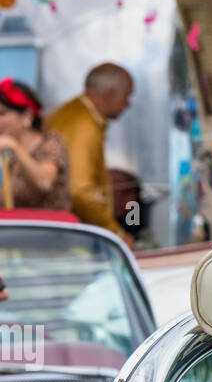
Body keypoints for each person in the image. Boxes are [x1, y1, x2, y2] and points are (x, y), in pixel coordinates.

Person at [46, 63, 134, 245]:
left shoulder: (72, 113)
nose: (128, 105)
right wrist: (117, 235)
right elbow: (81, 192)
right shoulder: (84, 125)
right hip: (67, 239)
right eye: (126, 97)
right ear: (110, 93)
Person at [0, 77, 71, 213]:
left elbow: (44, 182)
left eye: (2, 113)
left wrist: (15, 147)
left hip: (49, 231)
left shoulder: (51, 142)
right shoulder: (9, 157)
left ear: (27, 115)